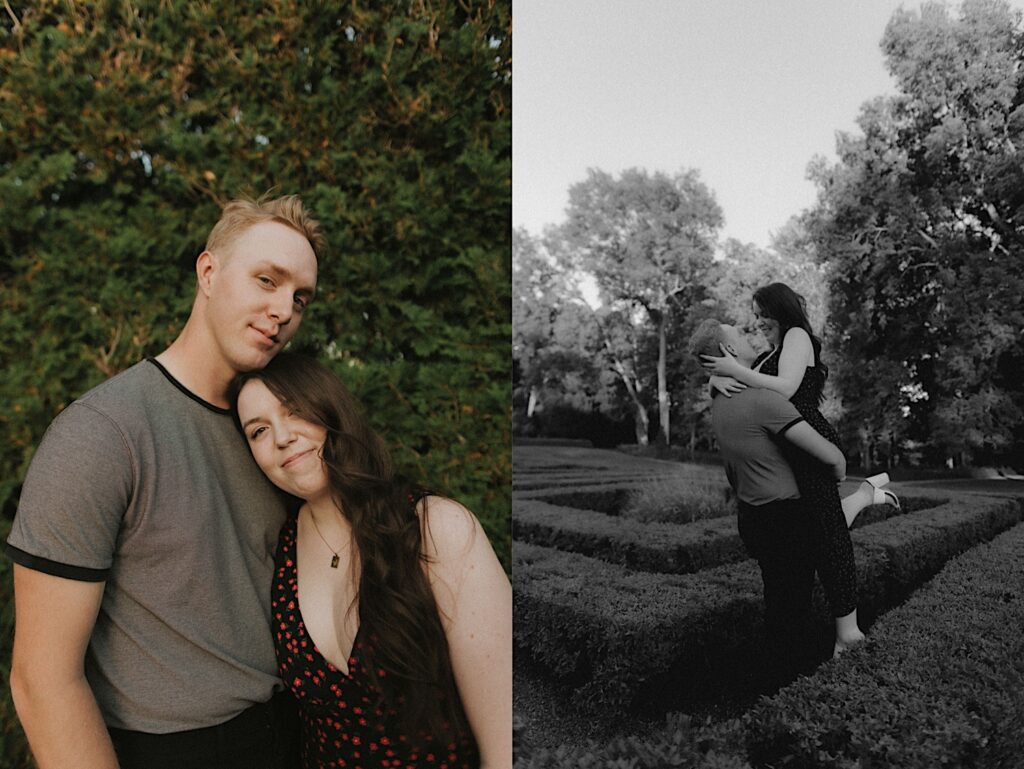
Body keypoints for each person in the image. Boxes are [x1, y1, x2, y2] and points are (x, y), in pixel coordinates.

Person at [6, 195, 324, 769]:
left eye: (299, 297)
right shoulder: (102, 433)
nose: (283, 309)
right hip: (172, 752)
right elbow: (41, 681)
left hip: (286, 733)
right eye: (267, 280)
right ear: (208, 272)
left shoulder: (276, 434)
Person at [231, 352, 512, 769]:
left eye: (294, 411)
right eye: (258, 431)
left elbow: (504, 739)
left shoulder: (437, 528)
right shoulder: (278, 552)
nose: (282, 437)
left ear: (331, 411)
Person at [701, 282, 898, 656]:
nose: (758, 322)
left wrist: (733, 370)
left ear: (782, 309)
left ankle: (848, 633)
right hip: (787, 444)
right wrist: (717, 376)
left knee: (830, 538)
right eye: (755, 316)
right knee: (816, 524)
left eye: (763, 314)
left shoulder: (797, 337)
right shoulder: (768, 353)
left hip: (808, 442)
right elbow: (745, 381)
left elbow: (787, 388)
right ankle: (865, 495)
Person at [688, 319, 849, 684]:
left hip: (754, 518)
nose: (749, 335)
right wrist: (838, 472)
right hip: (786, 519)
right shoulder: (763, 401)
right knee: (793, 614)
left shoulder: (720, 398)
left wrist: (713, 377)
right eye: (740, 335)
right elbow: (831, 455)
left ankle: (773, 683)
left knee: (779, 605)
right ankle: (788, 694)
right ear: (728, 352)